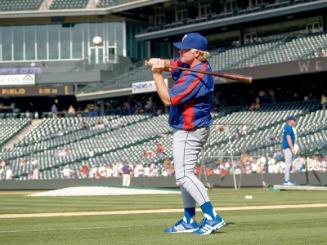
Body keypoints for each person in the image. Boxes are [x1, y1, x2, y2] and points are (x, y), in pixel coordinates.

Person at [148, 32, 225, 235]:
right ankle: (189, 219)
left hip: (190, 129)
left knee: (183, 175)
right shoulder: (191, 64)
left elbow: (168, 99)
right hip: (187, 127)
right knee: (184, 176)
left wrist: (157, 74)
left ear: (197, 52)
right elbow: (174, 63)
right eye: (180, 48)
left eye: (185, 49)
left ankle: (212, 217)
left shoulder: (196, 74)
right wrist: (161, 62)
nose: (180, 51)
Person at [282, 115, 298, 185]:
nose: (295, 122)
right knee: (288, 164)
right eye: (294, 120)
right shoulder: (288, 127)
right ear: (290, 121)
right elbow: (288, 139)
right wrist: (292, 148)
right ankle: (286, 181)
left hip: (288, 148)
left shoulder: (289, 127)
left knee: (289, 164)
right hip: (287, 148)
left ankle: (287, 180)